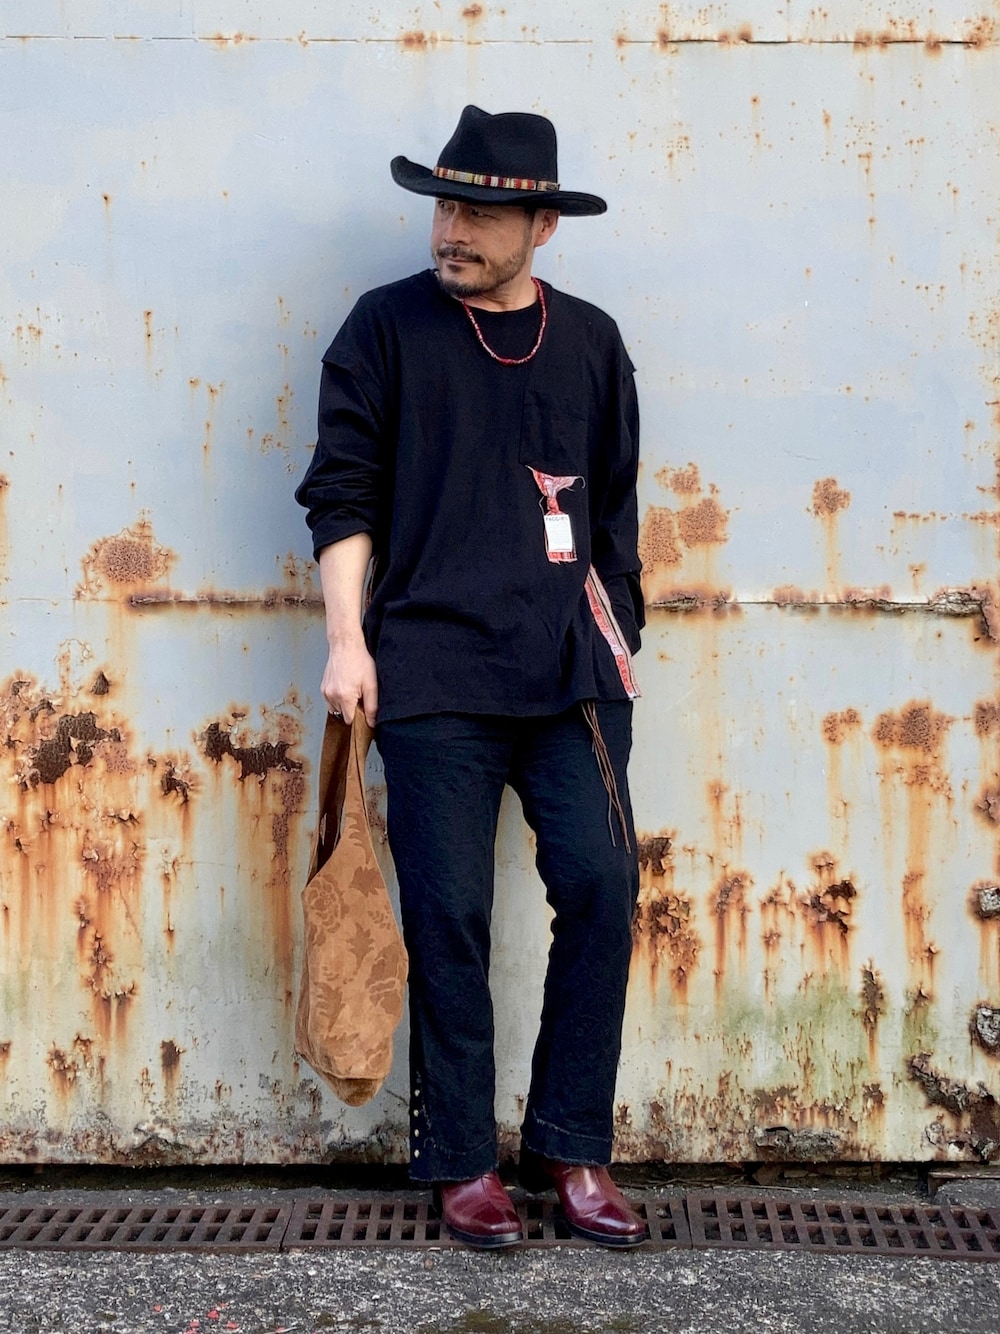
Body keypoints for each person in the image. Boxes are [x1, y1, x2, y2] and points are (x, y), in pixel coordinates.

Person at [295, 105, 647, 1249]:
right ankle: (460, 1158)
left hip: (570, 676)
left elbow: (613, 507)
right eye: (445, 206)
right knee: (447, 912)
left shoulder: (590, 342)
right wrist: (348, 641)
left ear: (541, 226)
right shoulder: (385, 328)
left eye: (480, 215)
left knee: (600, 883)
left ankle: (570, 1142)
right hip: (433, 668)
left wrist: (618, 636)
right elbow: (340, 493)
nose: (451, 230)